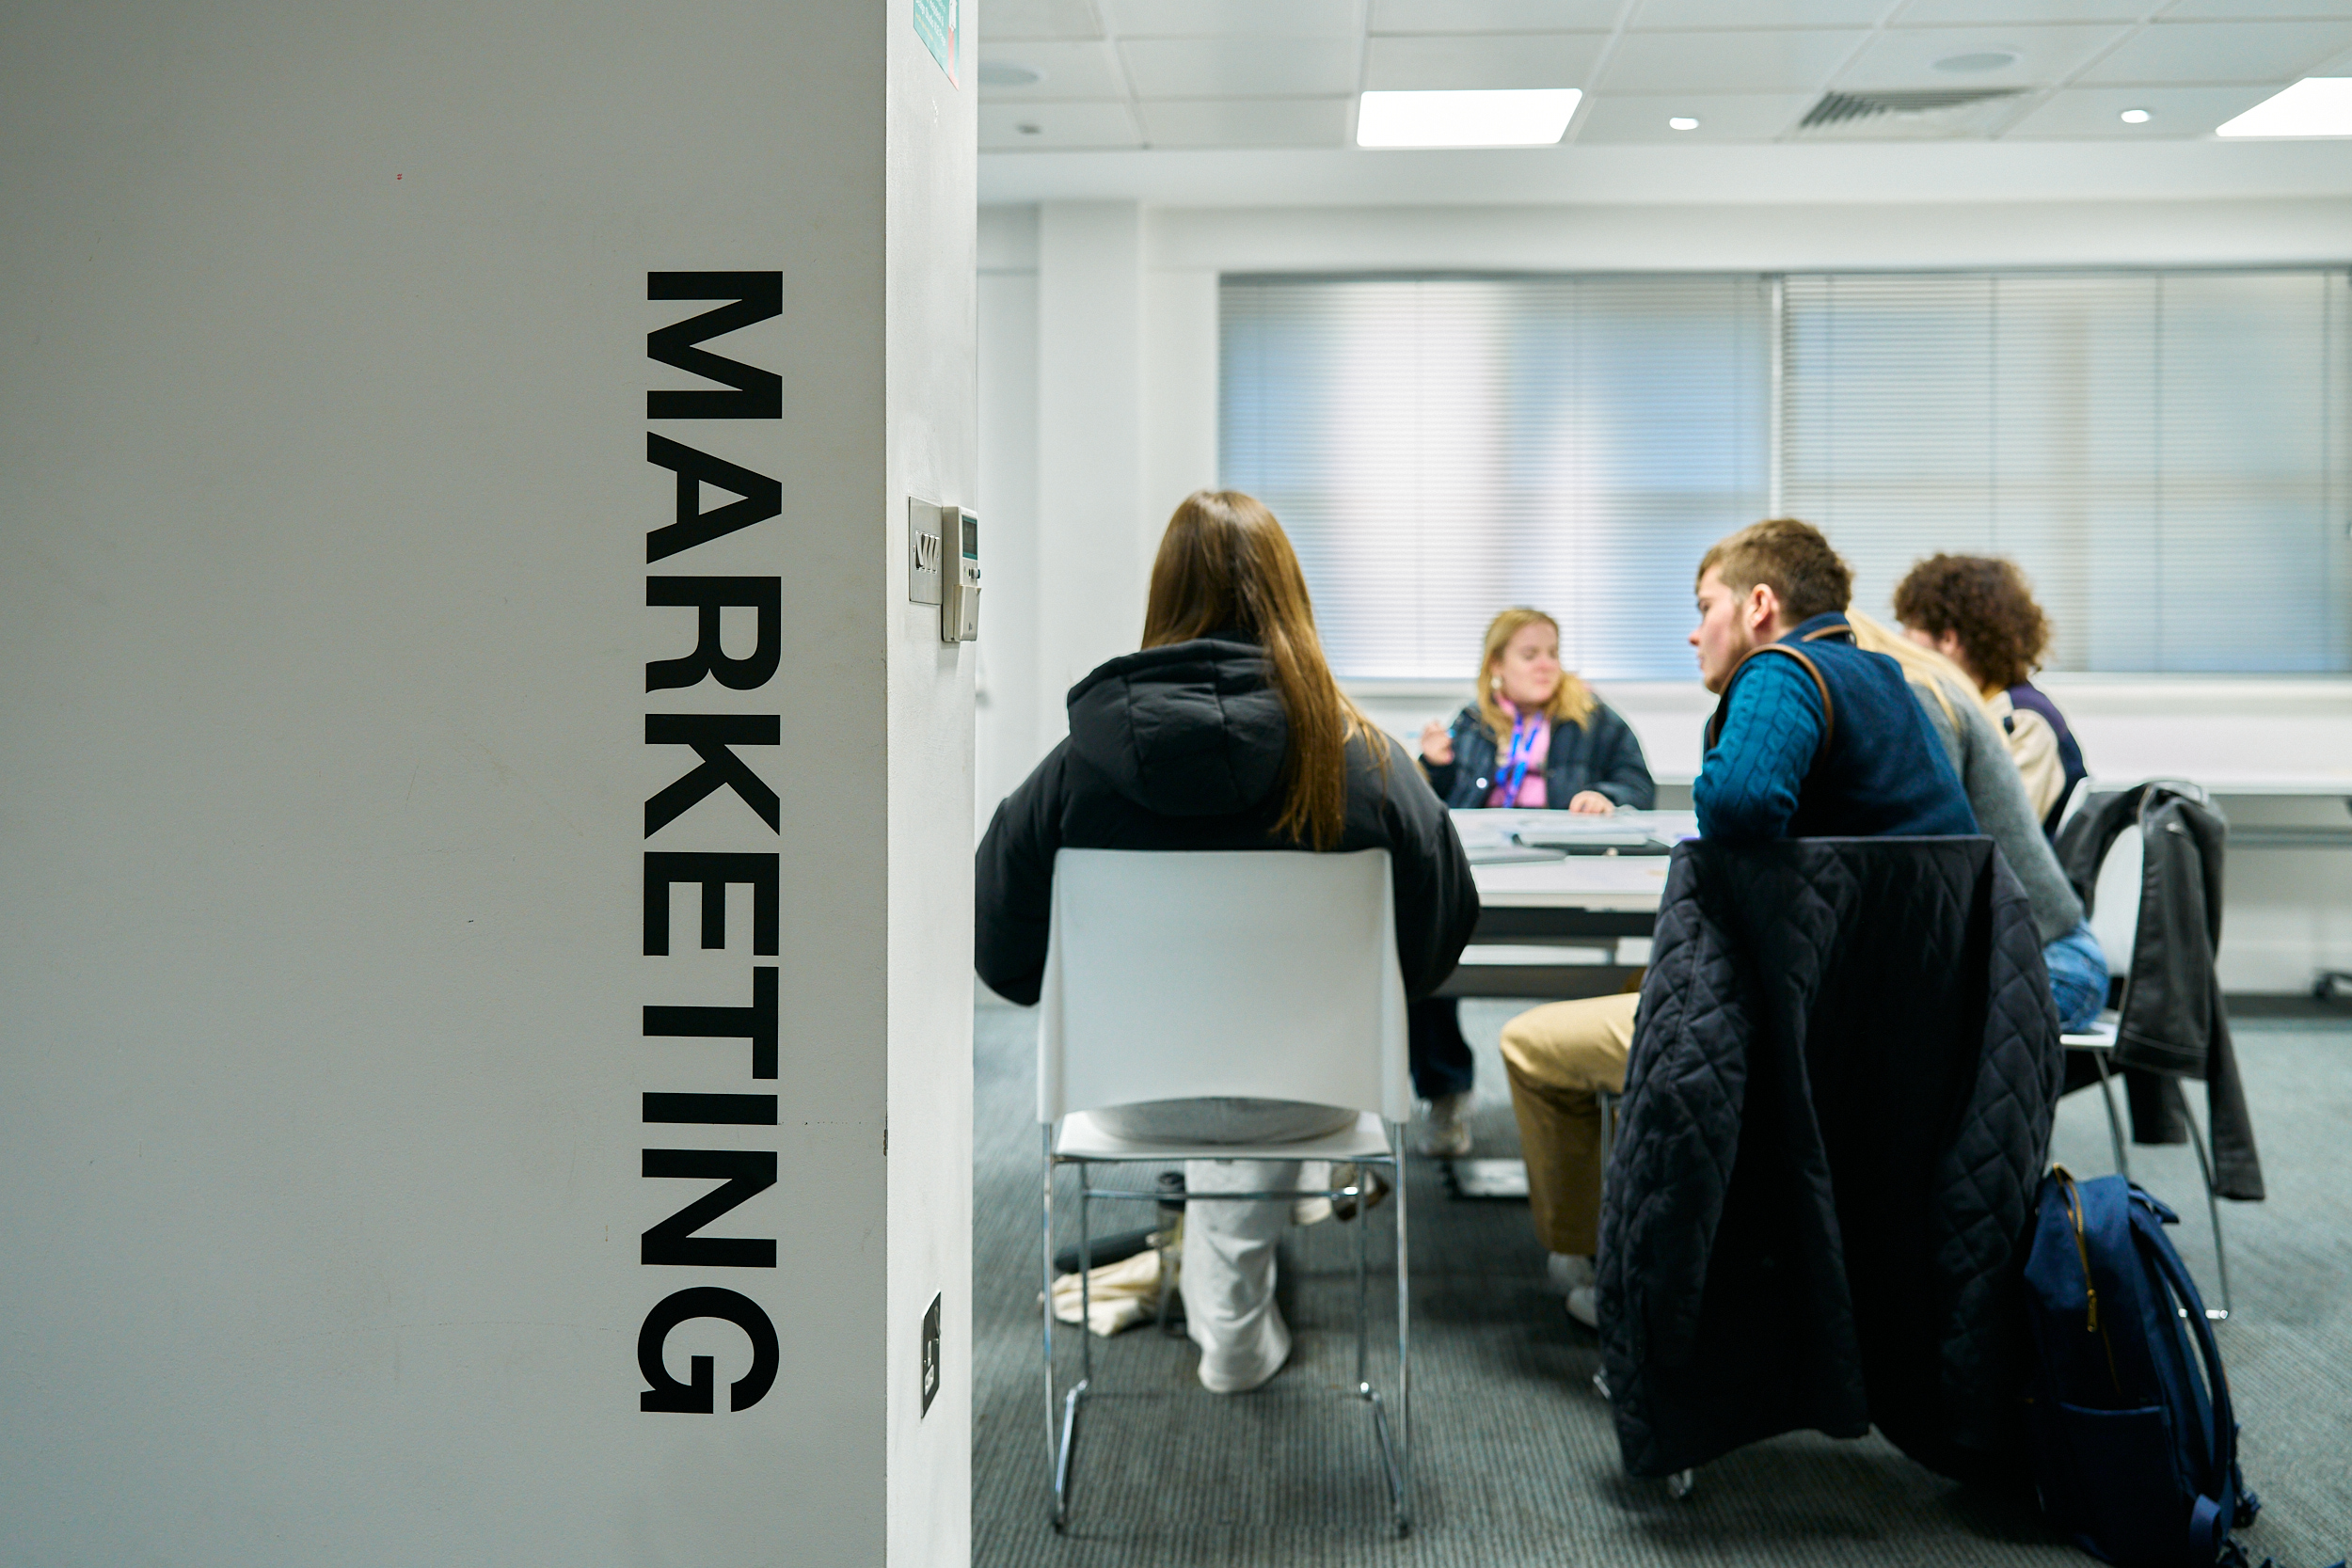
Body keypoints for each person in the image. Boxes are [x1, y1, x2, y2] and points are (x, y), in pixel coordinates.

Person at [975, 490, 1479, 1395]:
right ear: (1291, 596)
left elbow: (1000, 957)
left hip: (1132, 1103)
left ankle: (1222, 1290)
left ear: (1163, 598)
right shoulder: (1368, 763)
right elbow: (1437, 945)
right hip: (1317, 1099)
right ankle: (1237, 1295)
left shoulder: (1073, 770)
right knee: (1277, 1069)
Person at [1496, 518, 1976, 1327]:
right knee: (1635, 982)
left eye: (1703, 605)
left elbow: (1740, 804)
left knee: (1531, 1044)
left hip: (1802, 1029)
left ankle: (1594, 1275)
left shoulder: (1781, 672)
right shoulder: (1882, 679)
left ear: (1759, 605)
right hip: (1907, 1016)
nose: (1692, 629)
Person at [1408, 608, 1654, 1156]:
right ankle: (1446, 1092)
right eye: (1530, 654)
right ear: (1497, 666)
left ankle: (1598, 1082)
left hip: (1574, 877)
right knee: (1422, 956)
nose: (1546, 665)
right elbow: (1445, 811)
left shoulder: (1594, 718)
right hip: (1483, 877)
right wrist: (1438, 767)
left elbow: (1640, 785)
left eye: (1553, 653)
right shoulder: (1471, 722)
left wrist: (1610, 799)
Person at [1847, 610, 2107, 1033]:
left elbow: (1984, 841)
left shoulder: (2002, 713)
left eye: (1910, 631)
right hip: (2020, 938)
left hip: (2048, 951)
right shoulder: (1958, 700)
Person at [1893, 554, 2088, 837]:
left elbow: (2003, 837)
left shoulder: (2022, 720)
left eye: (1910, 626)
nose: (1901, 639)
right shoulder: (1976, 709)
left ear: (1948, 639)